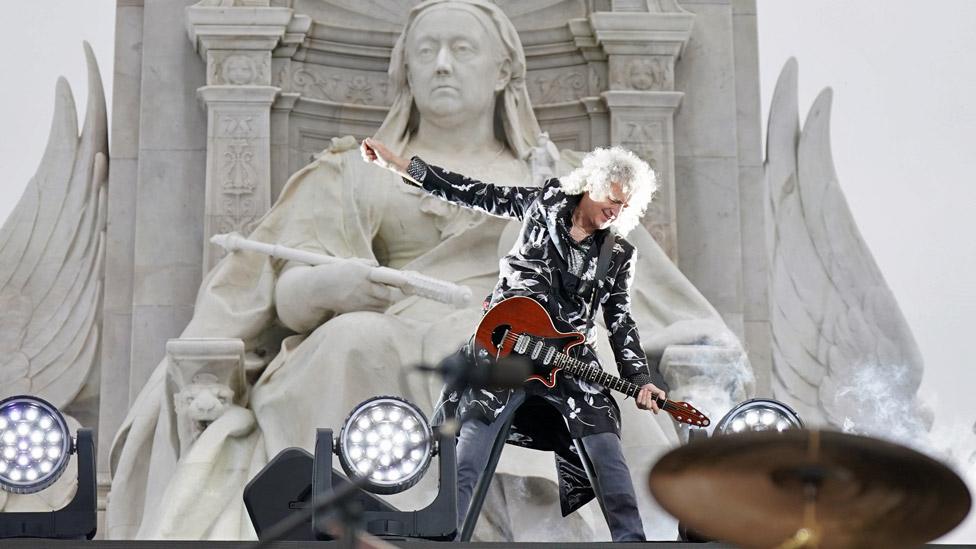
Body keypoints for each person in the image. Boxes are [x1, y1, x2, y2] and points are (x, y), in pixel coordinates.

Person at [107, 0, 742, 540]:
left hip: (515, 330)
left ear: (502, 71)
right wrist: (332, 287)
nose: (441, 64)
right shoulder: (350, 170)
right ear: (404, 69)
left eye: (461, 48)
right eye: (426, 51)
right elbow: (278, 294)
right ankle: (368, 523)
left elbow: (652, 300)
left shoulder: (559, 176)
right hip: (385, 323)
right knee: (349, 339)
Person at [363, 138, 664, 542]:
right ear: (593, 183)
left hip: (569, 356)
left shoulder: (620, 254)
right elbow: (473, 192)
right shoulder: (543, 204)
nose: (616, 211)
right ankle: (445, 535)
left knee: (605, 443)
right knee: (472, 439)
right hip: (510, 343)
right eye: (613, 199)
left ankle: (631, 542)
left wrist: (640, 376)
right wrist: (401, 166)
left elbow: (620, 319)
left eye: (626, 207)